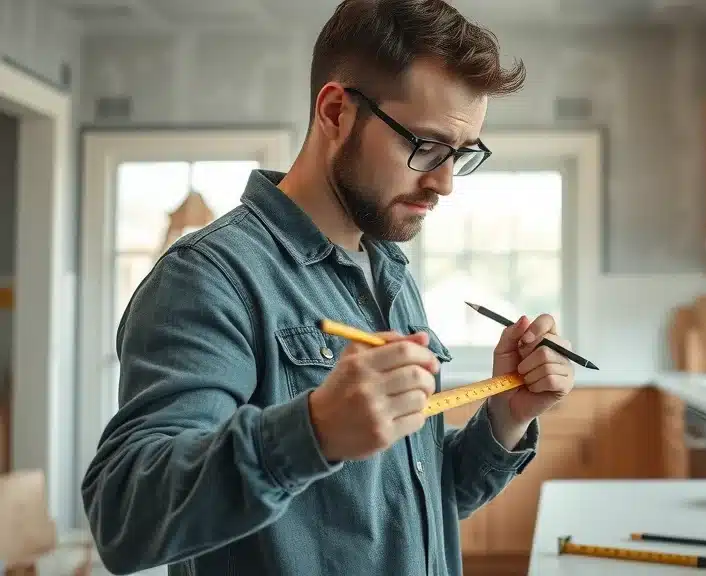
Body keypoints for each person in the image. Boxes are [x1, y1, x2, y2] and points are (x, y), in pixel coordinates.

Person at [79, 1, 577, 575]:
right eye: (426, 147)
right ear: (337, 111)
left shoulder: (389, 272)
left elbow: (413, 510)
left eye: (461, 156)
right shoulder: (209, 279)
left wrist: (506, 415)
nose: (443, 184)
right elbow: (124, 518)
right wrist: (310, 432)